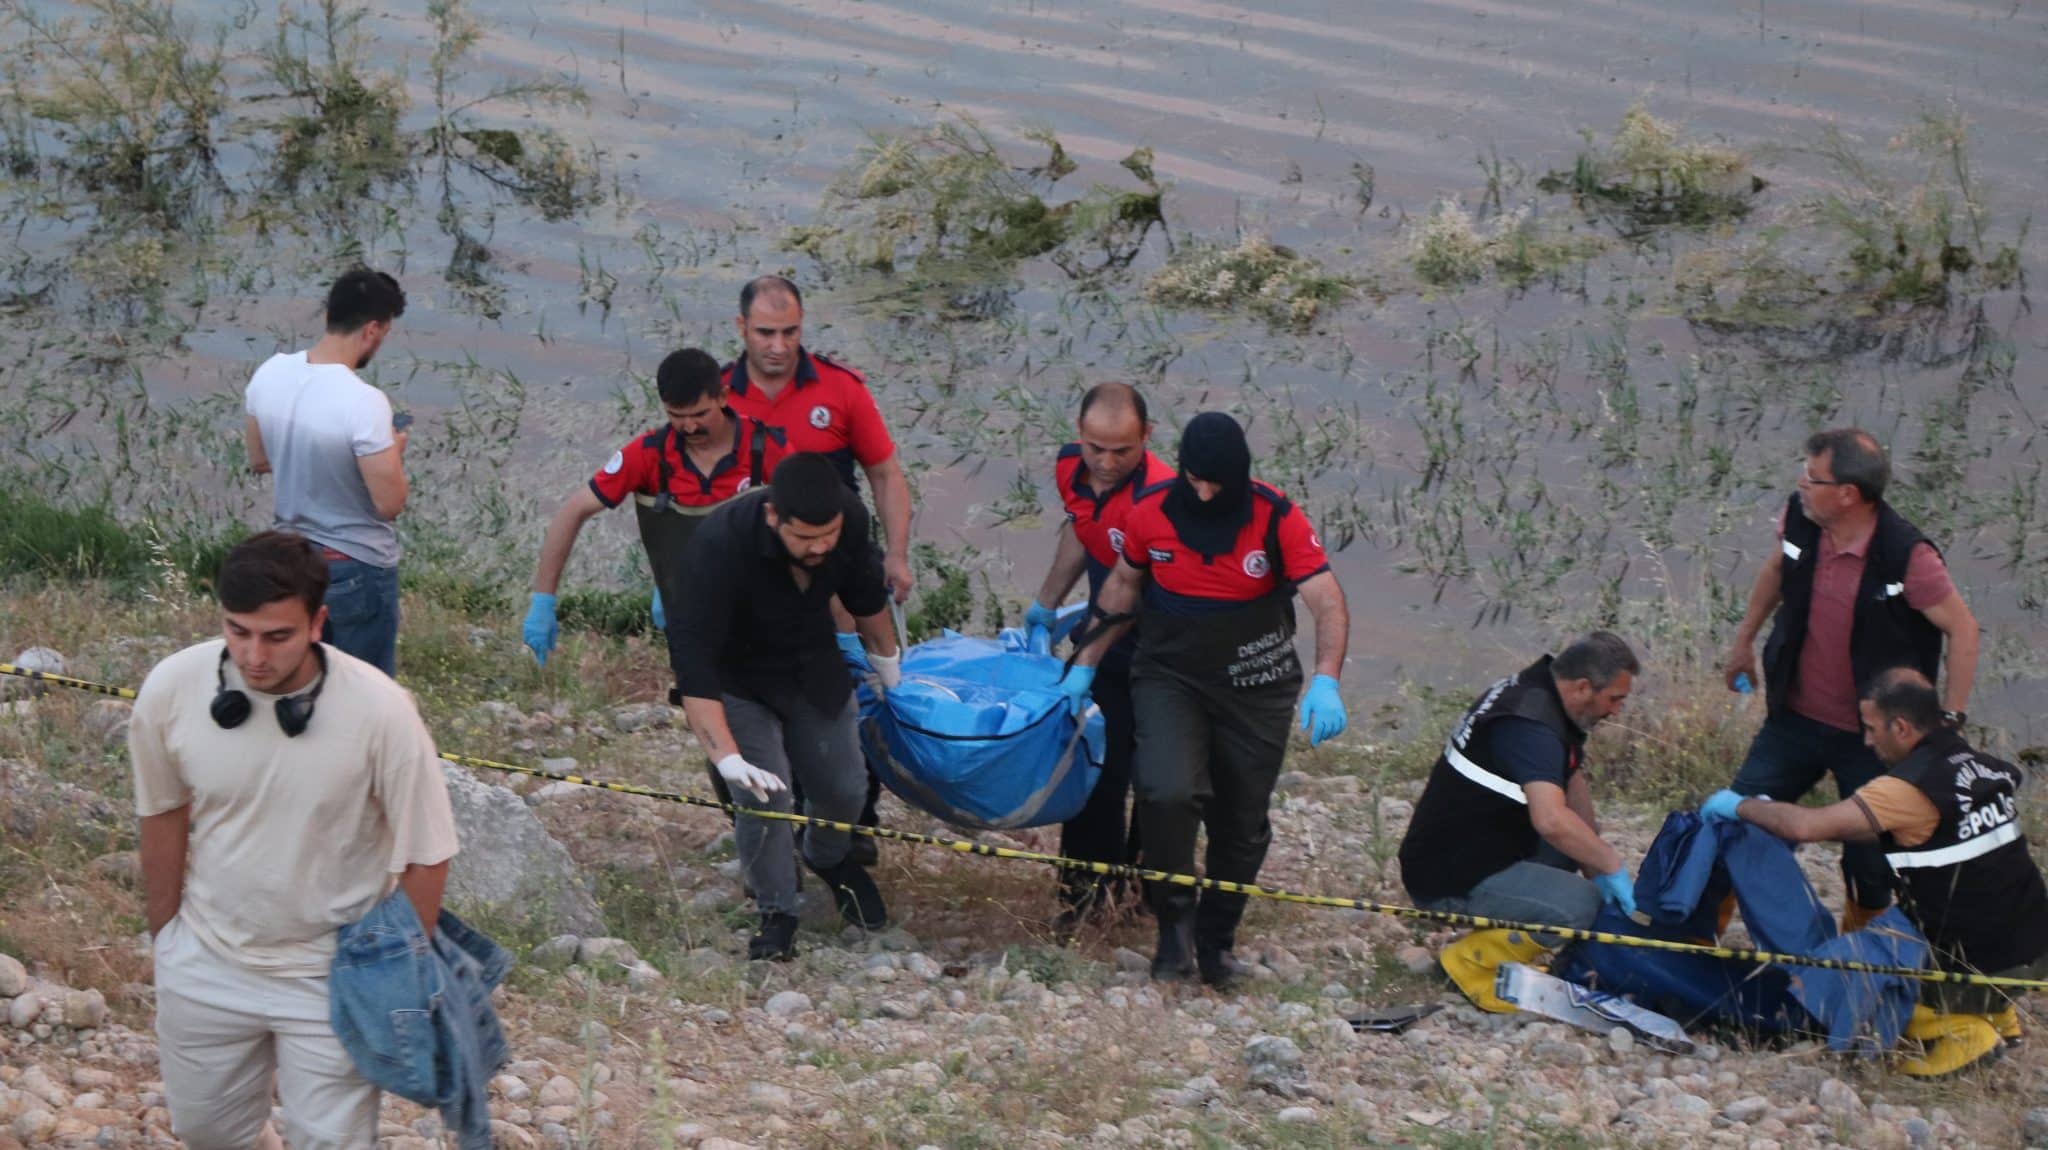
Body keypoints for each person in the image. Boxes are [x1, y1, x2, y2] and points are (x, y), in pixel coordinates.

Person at [131, 531, 459, 1149]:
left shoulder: (382, 711)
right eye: (238, 631)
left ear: (318, 623)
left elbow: (426, 854)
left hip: (329, 976)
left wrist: (390, 982)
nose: (254, 655)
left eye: (277, 636)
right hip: (205, 959)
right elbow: (162, 812)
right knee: (204, 1133)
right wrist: (166, 937)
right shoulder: (173, 688)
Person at [1070, 412, 1350, 988]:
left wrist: (1327, 678)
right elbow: (1123, 585)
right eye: (1194, 479)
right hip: (1170, 676)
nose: (1202, 493)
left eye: (1215, 483)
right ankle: (1173, 924)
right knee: (1165, 791)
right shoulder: (1150, 513)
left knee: (1240, 821)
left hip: (1257, 683)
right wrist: (1083, 666)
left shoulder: (1277, 518)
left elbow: (1327, 601)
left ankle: (1217, 940)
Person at [1702, 668, 2048, 1077]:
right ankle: (2000, 1015)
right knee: (1909, 922)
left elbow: (1805, 827)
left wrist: (1738, 806)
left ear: (1901, 727)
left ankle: (1963, 1029)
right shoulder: (1979, 765)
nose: (1866, 741)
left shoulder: (1906, 790)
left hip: (1978, 964)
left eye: (1870, 729)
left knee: (1838, 981)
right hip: (2032, 948)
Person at [1719, 428, 1980, 932]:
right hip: (1792, 720)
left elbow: (1964, 629)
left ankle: (1860, 966)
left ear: (1848, 494)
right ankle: (1698, 939)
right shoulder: (1802, 519)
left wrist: (1952, 718)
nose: (1800, 484)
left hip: (1873, 740)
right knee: (1738, 822)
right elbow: (1776, 570)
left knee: (1870, 864)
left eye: (1812, 477)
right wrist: (1743, 642)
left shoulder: (1907, 555)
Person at [666, 453, 904, 960]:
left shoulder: (850, 521)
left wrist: (891, 677)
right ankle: (777, 910)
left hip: (811, 661)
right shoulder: (717, 548)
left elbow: (867, 603)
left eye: (829, 535)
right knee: (763, 794)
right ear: (774, 516)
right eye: (805, 538)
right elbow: (695, 672)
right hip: (737, 677)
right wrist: (727, 757)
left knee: (845, 788)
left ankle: (828, 856)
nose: (820, 547)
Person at [721, 275, 914, 859]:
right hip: (752, 581)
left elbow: (885, 473)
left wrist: (896, 553)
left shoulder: (841, 391)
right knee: (757, 705)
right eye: (765, 333)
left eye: (790, 332)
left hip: (834, 574)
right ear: (741, 330)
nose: (778, 346)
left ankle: (854, 827)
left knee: (851, 697)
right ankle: (773, 824)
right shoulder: (719, 396)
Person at [1396, 632, 1642, 1012]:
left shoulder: (1543, 692)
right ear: (1582, 687)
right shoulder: (1531, 726)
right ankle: (1470, 961)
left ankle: (1516, 923)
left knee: (1578, 850)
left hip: (1478, 839)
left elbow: (1570, 777)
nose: (1616, 712)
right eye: (1614, 699)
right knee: (1581, 906)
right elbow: (1550, 820)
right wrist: (1611, 865)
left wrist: (1594, 859)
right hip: (1449, 873)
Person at [523, 346, 785, 668]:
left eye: (700, 414)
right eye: (677, 416)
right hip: (688, 613)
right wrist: (543, 601)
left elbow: (821, 520)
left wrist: (843, 631)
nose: (690, 428)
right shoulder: (649, 455)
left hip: (762, 607)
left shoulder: (767, 447)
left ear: (723, 396)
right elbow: (572, 511)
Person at [1021, 382, 1169, 931]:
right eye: (1095, 448)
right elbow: (1082, 532)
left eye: (1122, 451)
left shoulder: (1162, 498)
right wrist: (1045, 604)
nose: (1106, 464)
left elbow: (1138, 593)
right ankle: (1082, 901)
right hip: (1098, 646)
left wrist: (1087, 653)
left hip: (1159, 655)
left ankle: (1144, 894)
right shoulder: (1072, 469)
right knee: (1090, 771)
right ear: (1078, 437)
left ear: (1146, 439)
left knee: (1156, 782)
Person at [244, 268, 412, 676]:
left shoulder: (270, 372)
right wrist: (394, 451)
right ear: (373, 329)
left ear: (329, 316)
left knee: (300, 680)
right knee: (363, 691)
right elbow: (390, 504)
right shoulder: (364, 402)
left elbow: (260, 460)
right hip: (356, 567)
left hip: (292, 559)